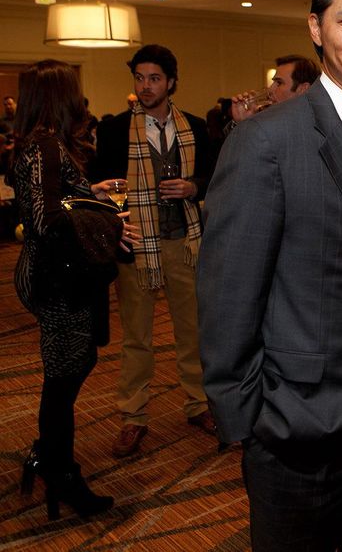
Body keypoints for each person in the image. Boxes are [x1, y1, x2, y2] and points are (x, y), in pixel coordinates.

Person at [198, 0, 342, 552]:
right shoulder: (266, 140)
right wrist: (248, 422)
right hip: (294, 425)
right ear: (317, 28)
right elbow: (228, 293)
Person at [10, 60, 137, 519]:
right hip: (57, 279)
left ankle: (49, 456)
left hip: (53, 274)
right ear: (60, 97)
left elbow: (52, 202)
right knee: (63, 378)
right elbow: (46, 221)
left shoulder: (40, 143)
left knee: (71, 367)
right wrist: (107, 223)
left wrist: (89, 194)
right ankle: (59, 471)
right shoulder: (44, 145)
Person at [92, 44, 216, 458]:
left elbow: (215, 176)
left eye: (154, 79)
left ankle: (199, 404)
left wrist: (192, 187)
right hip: (136, 246)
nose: (146, 86)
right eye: (140, 78)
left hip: (184, 243)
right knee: (137, 337)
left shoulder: (194, 127)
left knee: (192, 332)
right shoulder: (114, 130)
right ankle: (133, 416)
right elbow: (100, 186)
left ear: (171, 82)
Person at [229, 54, 320, 125]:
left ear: (303, 89)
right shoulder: (269, 121)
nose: (270, 89)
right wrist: (243, 123)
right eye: (273, 82)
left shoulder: (313, 129)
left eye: (279, 83)